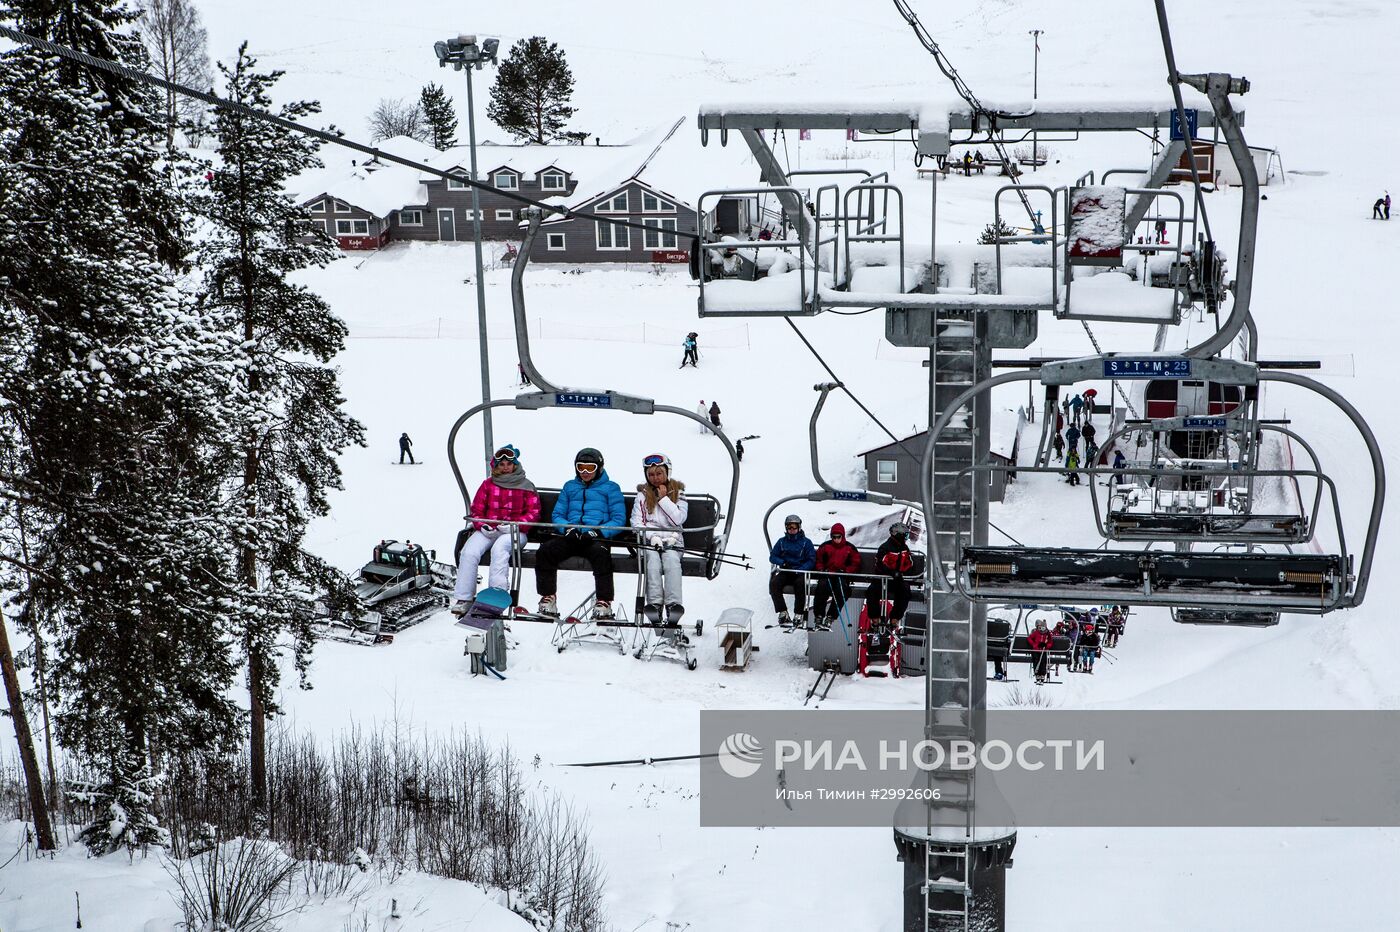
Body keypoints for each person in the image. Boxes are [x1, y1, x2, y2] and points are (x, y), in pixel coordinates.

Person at [535, 448, 626, 620]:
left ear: (599, 468)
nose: (584, 472)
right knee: (546, 551)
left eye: (590, 468)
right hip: (572, 536)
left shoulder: (611, 488)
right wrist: (567, 528)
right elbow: (557, 515)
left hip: (595, 538)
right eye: (581, 467)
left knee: (601, 554)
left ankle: (604, 601)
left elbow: (618, 519)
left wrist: (597, 531)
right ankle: (548, 597)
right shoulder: (570, 487)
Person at [452, 445, 541, 615]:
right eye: (502, 465)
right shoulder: (488, 485)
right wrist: (482, 525)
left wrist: (516, 525)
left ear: (515, 464)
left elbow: (533, 513)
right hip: (490, 529)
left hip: (515, 532)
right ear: (496, 466)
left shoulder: (526, 486)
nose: (506, 467)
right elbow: (476, 510)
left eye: (509, 464)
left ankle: (497, 593)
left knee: (500, 549)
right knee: (469, 552)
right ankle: (464, 597)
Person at [631, 453, 688, 623]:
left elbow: (678, 519)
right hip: (649, 543)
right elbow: (637, 523)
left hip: (673, 540)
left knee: (671, 560)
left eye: (659, 473)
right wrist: (652, 536)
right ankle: (655, 605)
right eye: (651, 475)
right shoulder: (642, 495)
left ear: (667, 472)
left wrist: (663, 499)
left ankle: (673, 605)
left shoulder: (678, 493)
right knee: (653, 562)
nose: (655, 478)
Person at [769, 514, 816, 625]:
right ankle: (783, 612)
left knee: (800, 585)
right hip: (786, 570)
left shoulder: (806, 542)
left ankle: (798, 613)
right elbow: (773, 556)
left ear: (799, 528)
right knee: (774, 584)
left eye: (794, 527)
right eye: (789, 528)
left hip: (799, 572)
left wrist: (802, 569)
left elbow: (811, 559)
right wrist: (783, 562)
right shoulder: (782, 542)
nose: (792, 530)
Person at [811, 523, 862, 624]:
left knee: (843, 591)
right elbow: (818, 560)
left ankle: (831, 616)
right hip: (827, 574)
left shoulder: (849, 548)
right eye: (834, 537)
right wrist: (821, 569)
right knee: (822, 587)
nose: (836, 539)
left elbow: (855, 563)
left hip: (842, 576)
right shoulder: (825, 546)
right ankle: (819, 615)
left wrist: (846, 571)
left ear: (842, 536)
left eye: (838, 537)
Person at [866, 523, 914, 624]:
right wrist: (892, 573)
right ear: (898, 535)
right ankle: (875, 618)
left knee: (905, 591)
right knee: (872, 591)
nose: (906, 538)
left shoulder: (904, 548)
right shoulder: (885, 548)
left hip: (897, 580)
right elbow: (880, 564)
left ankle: (895, 618)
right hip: (882, 580)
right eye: (905, 535)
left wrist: (903, 572)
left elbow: (909, 563)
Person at [1028, 617, 1053, 685]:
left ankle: (1042, 675)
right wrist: (1034, 645)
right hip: (1036, 650)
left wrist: (1046, 646)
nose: (1042, 629)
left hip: (1043, 650)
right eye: (1041, 627)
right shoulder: (1036, 632)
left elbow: (1050, 641)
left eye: (1044, 628)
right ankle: (1037, 675)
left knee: (1043, 662)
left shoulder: (1047, 634)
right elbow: (1030, 638)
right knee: (1036, 661)